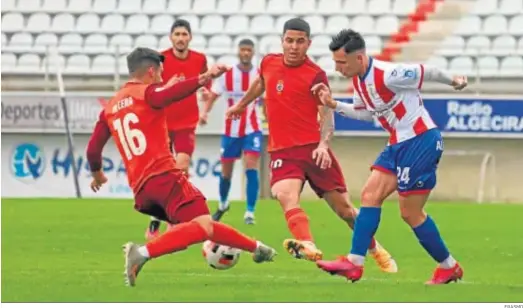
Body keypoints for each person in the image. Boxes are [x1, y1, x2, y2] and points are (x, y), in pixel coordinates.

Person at [86, 47, 276, 287]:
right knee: (202, 225)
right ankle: (142, 253)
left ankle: (256, 248)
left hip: (142, 192)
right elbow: (168, 95)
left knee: (201, 225)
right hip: (164, 177)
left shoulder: (110, 107)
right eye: (160, 73)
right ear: (151, 71)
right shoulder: (148, 92)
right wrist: (204, 78)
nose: (162, 78)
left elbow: (93, 149)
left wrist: (98, 175)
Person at [226, 18, 397, 273]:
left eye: (300, 41)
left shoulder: (315, 74)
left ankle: (375, 249)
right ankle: (307, 243)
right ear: (282, 40)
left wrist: (323, 145)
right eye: (289, 41)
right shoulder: (268, 63)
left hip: (313, 150)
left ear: (309, 43)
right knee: (284, 195)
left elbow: (326, 113)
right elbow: (261, 82)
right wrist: (241, 104)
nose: (294, 46)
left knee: (346, 211)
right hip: (283, 150)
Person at [313, 29, 467, 284]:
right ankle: (354, 262)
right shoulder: (359, 83)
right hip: (397, 143)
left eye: (341, 62)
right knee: (369, 196)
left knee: (410, 213)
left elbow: (427, 71)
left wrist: (453, 80)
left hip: (420, 141)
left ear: (359, 58)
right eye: (335, 62)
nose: (337, 68)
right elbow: (365, 114)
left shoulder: (388, 74)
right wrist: (333, 104)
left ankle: (449, 266)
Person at [145, 19, 211, 240]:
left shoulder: (200, 59)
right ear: (171, 37)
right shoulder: (160, 59)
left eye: (184, 34)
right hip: (162, 124)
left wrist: (206, 102)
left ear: (190, 37)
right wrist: (167, 85)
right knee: (161, 172)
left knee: (181, 167)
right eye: (177, 34)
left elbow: (205, 83)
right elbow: (151, 89)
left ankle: (172, 218)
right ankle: (156, 217)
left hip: (186, 123)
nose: (181, 38)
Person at [199, 38, 262, 225]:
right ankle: (223, 203)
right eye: (243, 50)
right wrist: (204, 113)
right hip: (230, 131)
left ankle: (250, 212)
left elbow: (267, 100)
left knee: (251, 168)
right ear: (238, 51)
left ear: (253, 52)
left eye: (249, 50)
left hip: (252, 129)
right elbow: (213, 95)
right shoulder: (228, 75)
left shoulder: (259, 74)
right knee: (226, 172)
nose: (245, 53)